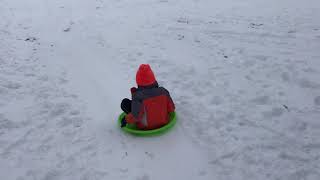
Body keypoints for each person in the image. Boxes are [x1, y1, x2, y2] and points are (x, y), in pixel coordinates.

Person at [120, 64, 175, 130]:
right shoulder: (163, 91)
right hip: (164, 122)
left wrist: (125, 119)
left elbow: (136, 116)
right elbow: (171, 108)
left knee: (125, 103)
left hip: (146, 127)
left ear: (138, 81)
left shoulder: (138, 96)